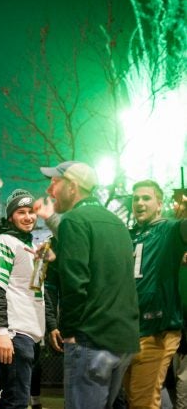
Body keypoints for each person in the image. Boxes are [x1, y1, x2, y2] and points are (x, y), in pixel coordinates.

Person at [40, 160, 139, 409]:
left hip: (90, 340)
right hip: (123, 338)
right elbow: (106, 275)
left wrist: (69, 332)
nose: (50, 191)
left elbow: (76, 284)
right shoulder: (116, 222)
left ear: (72, 187)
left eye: (55, 183)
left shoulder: (75, 220)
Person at [122, 180, 187, 409]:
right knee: (137, 398)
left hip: (156, 330)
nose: (140, 202)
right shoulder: (129, 235)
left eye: (146, 198)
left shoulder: (169, 229)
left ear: (159, 204)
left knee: (142, 401)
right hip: (129, 330)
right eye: (135, 198)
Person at [0, 189, 45, 409]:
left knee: (12, 400)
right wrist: (2, 332)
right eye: (21, 212)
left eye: (31, 211)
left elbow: (36, 292)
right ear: (11, 216)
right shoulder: (2, 241)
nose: (28, 217)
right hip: (15, 333)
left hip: (28, 334)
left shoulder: (27, 246)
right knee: (16, 402)